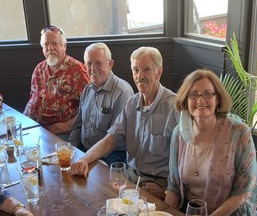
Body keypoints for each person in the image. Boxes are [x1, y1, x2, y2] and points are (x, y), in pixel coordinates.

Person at [70, 46, 177, 199]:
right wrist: (84, 159)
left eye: (146, 70)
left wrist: (167, 191)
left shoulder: (174, 107)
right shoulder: (132, 104)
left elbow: (183, 159)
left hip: (158, 183)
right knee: (88, 196)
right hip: (130, 176)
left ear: (158, 72)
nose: (140, 76)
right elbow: (110, 140)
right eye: (136, 70)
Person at [165, 69, 257, 216]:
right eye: (193, 94)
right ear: (185, 101)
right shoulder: (179, 134)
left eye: (207, 94)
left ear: (218, 99)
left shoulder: (239, 132)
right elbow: (173, 186)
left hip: (227, 214)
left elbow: (243, 192)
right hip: (190, 211)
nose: (200, 100)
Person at [68, 42, 133, 165]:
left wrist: (86, 159)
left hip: (111, 155)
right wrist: (70, 149)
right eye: (89, 63)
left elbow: (113, 140)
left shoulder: (122, 92)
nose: (93, 68)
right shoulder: (87, 89)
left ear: (110, 64)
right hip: (85, 150)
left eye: (98, 63)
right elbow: (77, 126)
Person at [23, 25, 89, 139]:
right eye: (46, 44)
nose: (50, 48)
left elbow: (91, 106)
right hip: (36, 128)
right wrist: (23, 124)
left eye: (54, 44)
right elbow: (31, 102)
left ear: (64, 46)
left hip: (63, 132)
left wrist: (68, 125)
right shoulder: (39, 69)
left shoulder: (78, 70)